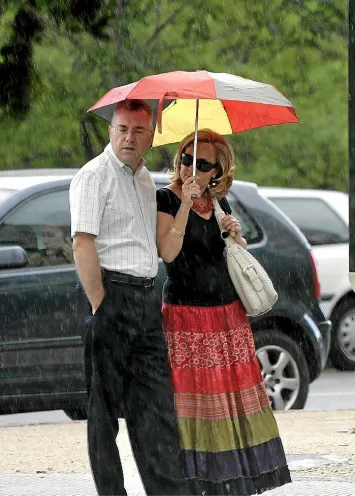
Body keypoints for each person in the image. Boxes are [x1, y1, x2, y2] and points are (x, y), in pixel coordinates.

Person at [156, 130, 291, 495]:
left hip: (227, 314)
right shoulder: (165, 198)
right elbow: (168, 252)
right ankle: (196, 480)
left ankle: (234, 478)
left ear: (218, 170)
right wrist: (185, 201)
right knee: (196, 399)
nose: (192, 168)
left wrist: (235, 234)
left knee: (231, 398)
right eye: (186, 158)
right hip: (187, 316)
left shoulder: (220, 204)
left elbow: (229, 256)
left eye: (203, 164)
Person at [70, 99, 188, 495]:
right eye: (122, 129)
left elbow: (161, 247)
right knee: (103, 415)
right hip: (111, 298)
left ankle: (170, 491)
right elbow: (82, 244)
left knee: (156, 409)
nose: (129, 138)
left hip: (146, 300)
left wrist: (187, 200)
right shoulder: (94, 176)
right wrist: (101, 304)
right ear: (110, 130)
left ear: (151, 136)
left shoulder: (144, 181)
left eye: (138, 131)